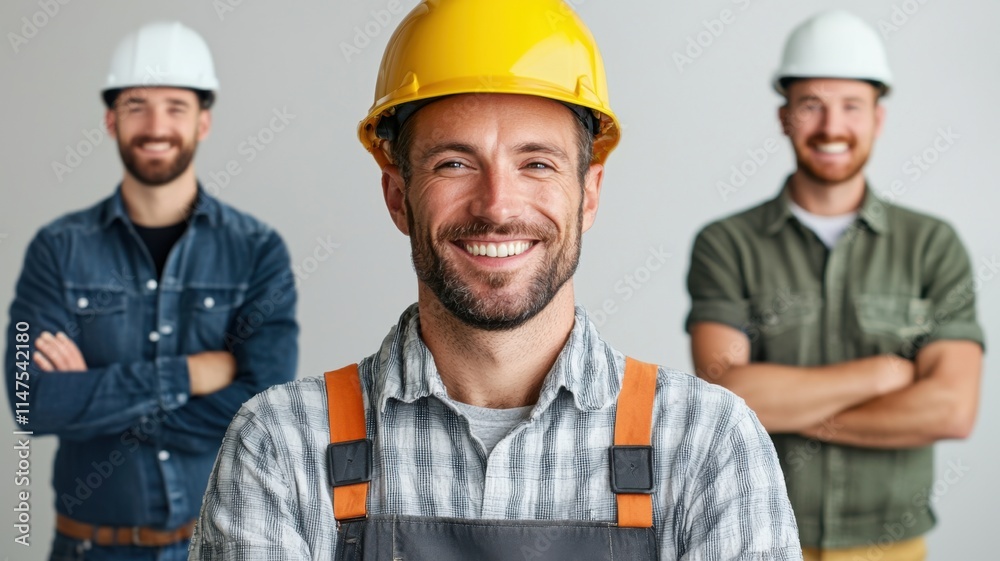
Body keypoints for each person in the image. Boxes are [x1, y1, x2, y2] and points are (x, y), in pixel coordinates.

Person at [190, 1, 801, 559]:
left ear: (588, 194)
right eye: (454, 163)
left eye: (536, 163)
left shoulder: (704, 443)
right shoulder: (284, 445)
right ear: (398, 196)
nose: (497, 206)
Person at [686, 10, 984, 561]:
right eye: (811, 105)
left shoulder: (933, 245)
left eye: (851, 106)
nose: (831, 126)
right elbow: (726, 395)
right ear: (784, 117)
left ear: (878, 118)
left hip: (889, 547)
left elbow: (951, 409)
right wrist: (882, 374)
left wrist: (791, 410)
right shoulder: (725, 244)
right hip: (757, 536)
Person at [4, 21, 298, 560]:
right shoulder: (58, 249)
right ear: (110, 119)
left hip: (220, 547)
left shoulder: (256, 249)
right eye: (136, 106)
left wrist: (92, 400)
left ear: (203, 121)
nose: (156, 126)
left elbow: (264, 410)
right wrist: (190, 374)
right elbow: (31, 402)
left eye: (175, 107)